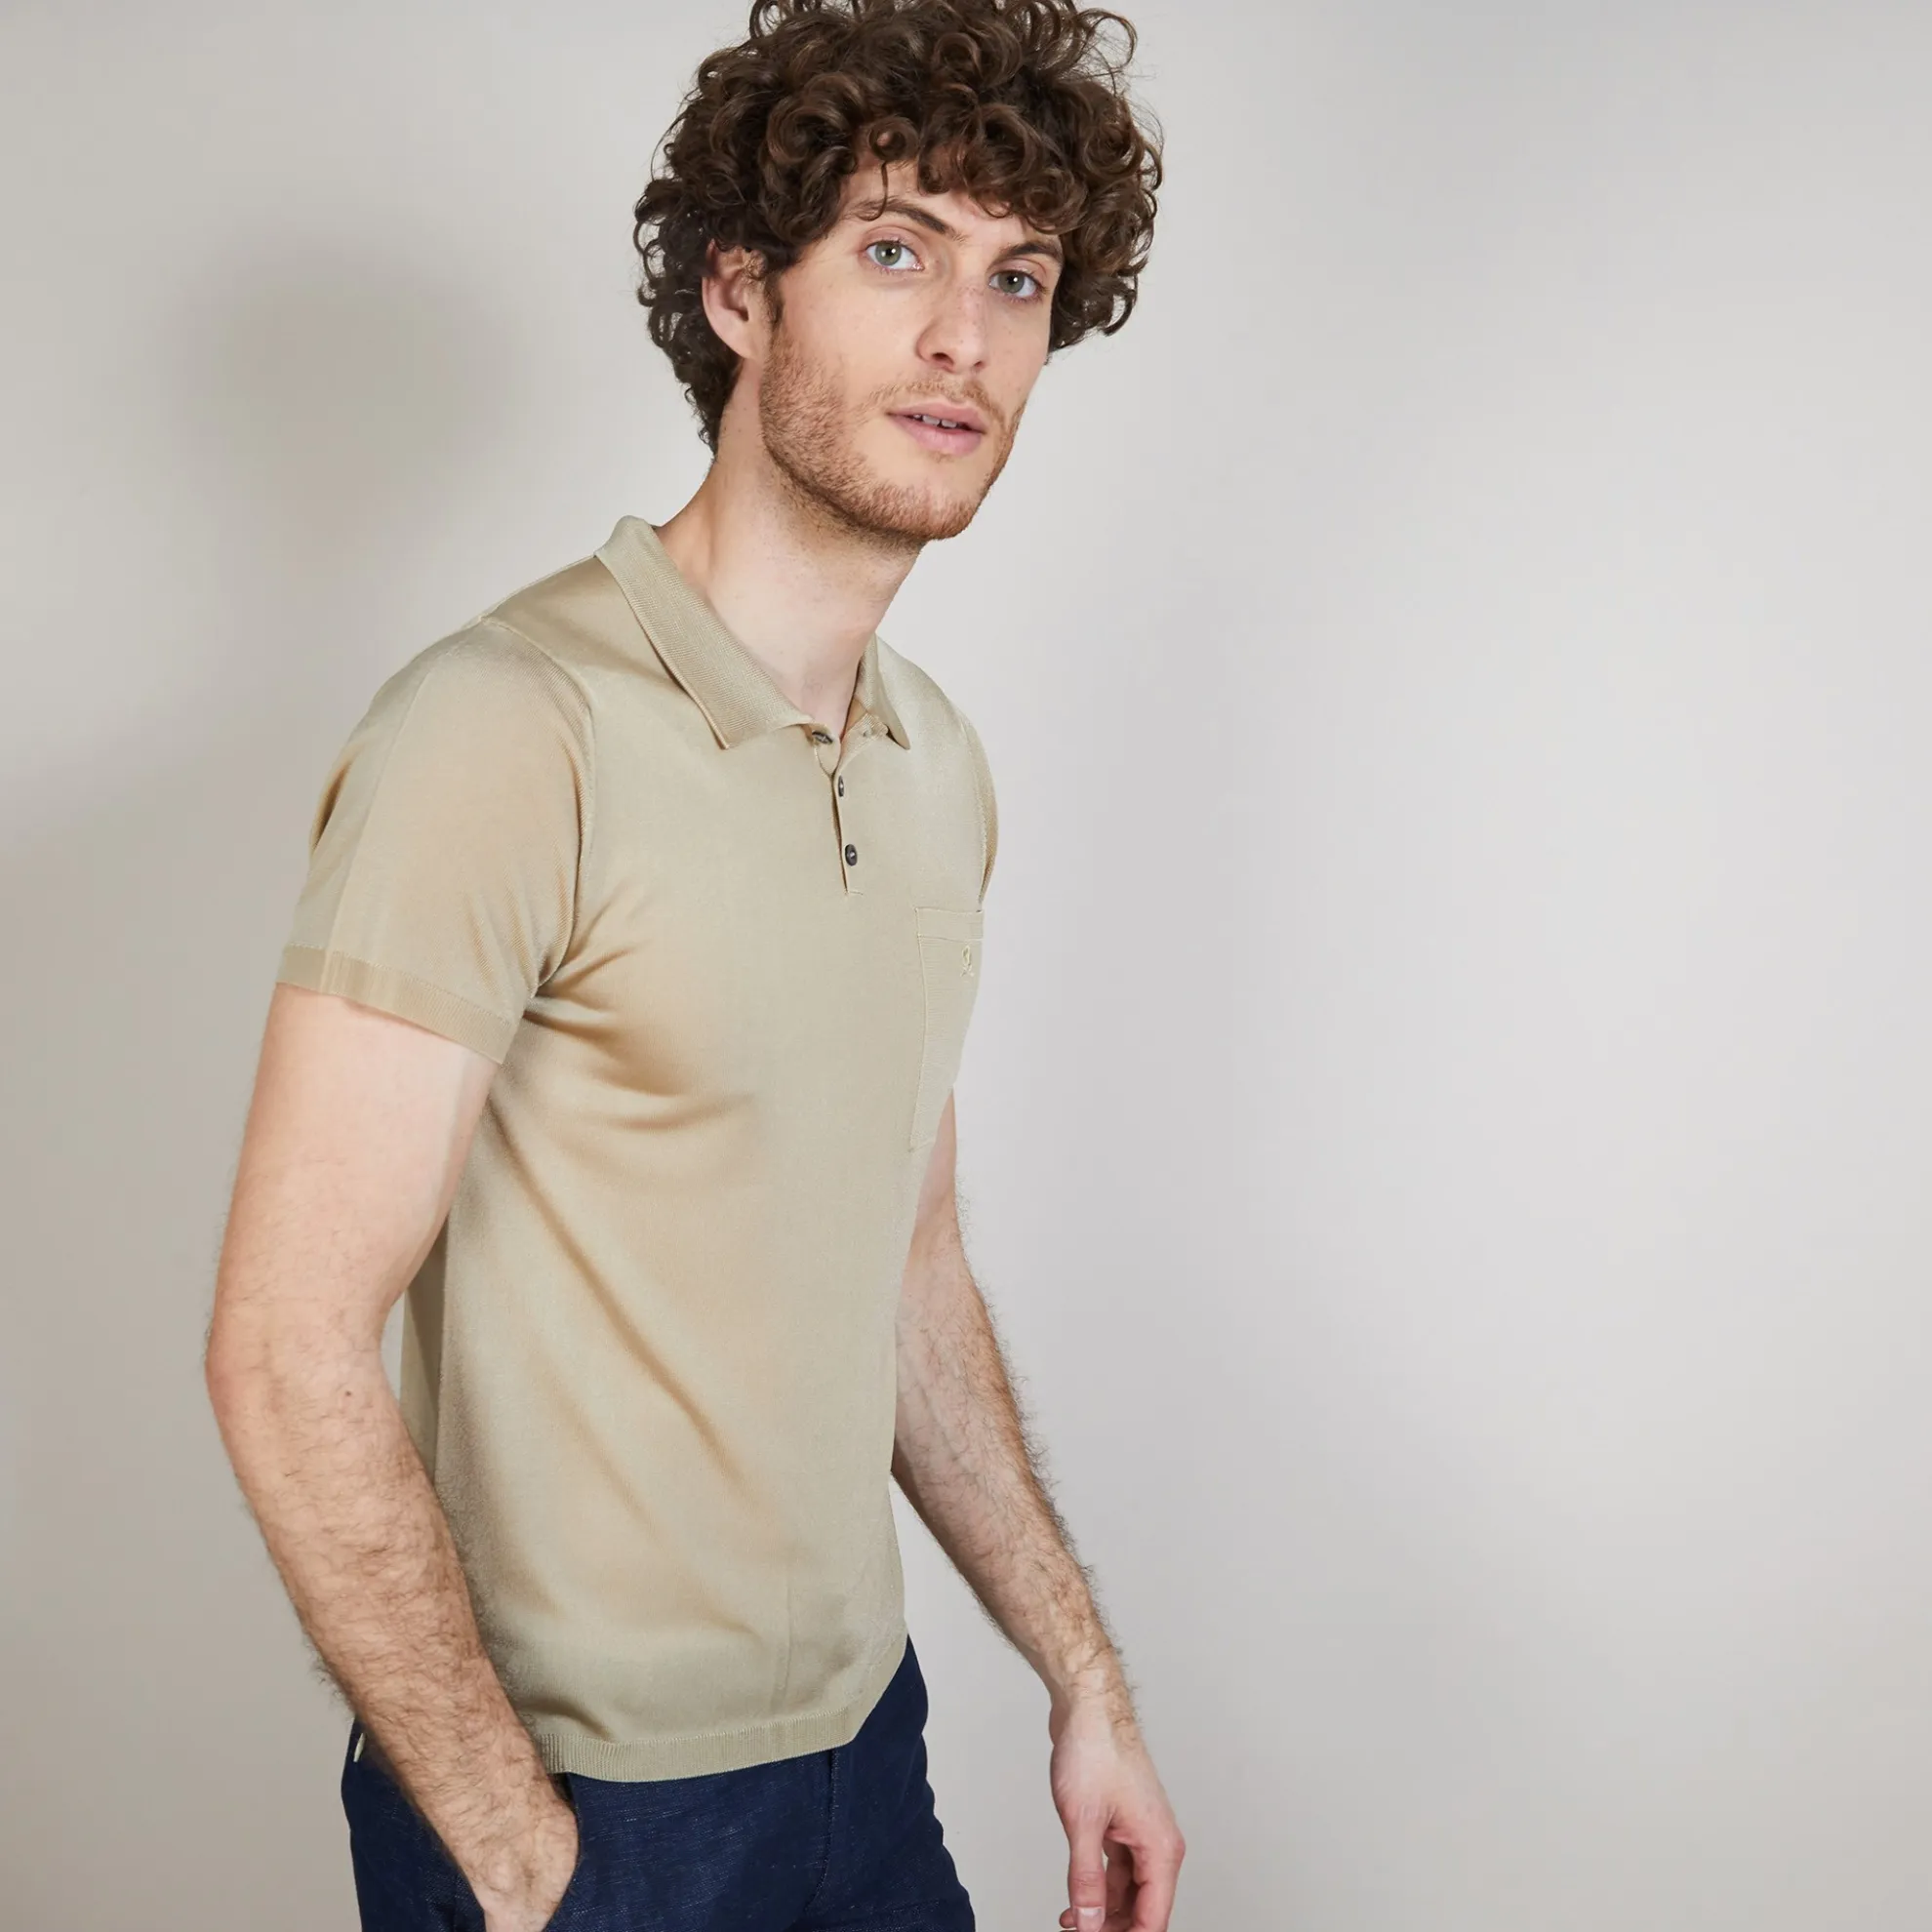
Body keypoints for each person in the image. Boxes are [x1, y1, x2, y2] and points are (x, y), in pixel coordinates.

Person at [203, 2, 1181, 1927]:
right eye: (895, 250)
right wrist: (518, 1859)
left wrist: (1084, 1681)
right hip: (586, 1812)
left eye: (1017, 278)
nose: (962, 338)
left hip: (865, 1766)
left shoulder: (938, 765)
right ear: (742, 291)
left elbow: (906, 1270)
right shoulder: (507, 728)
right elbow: (285, 1342)